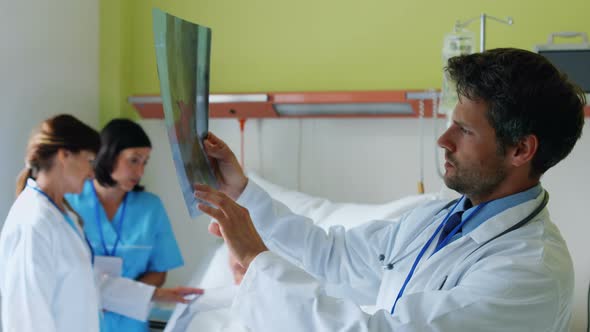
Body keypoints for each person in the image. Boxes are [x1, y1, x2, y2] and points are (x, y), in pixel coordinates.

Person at [193, 48, 585, 331]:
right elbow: (335, 257)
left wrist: (257, 259)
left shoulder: (530, 271)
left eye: (464, 130)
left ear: (520, 149)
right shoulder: (438, 219)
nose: (444, 140)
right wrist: (241, 191)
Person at [0, 114, 201, 332]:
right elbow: (27, 316)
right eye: (89, 161)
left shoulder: (63, 216)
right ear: (64, 156)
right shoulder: (33, 222)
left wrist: (159, 294)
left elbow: (90, 281)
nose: (91, 172)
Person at [66, 118, 187, 332]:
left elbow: (159, 273)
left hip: (130, 323)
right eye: (134, 160)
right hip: (80, 319)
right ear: (108, 155)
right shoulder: (70, 202)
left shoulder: (150, 208)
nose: (140, 172)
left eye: (145, 162)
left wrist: (121, 298)